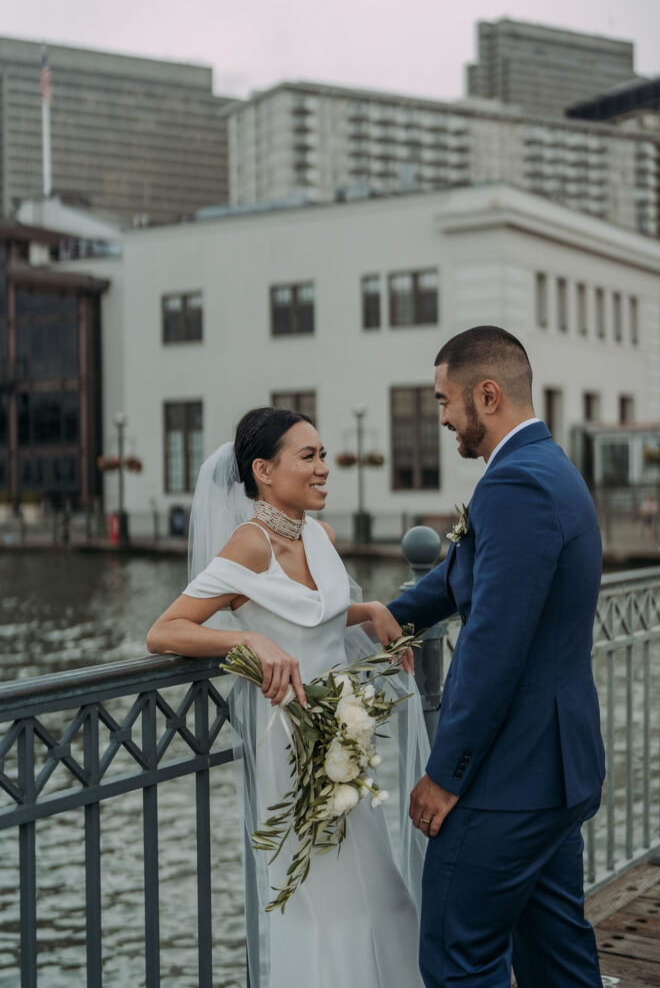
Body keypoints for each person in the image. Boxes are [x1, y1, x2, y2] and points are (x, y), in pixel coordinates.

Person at [147, 407, 429, 988]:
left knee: (382, 892)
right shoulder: (247, 546)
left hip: (343, 735)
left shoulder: (320, 536)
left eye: (324, 454)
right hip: (288, 744)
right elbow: (165, 631)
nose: (324, 467)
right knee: (321, 906)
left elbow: (315, 618)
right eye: (309, 456)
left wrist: (370, 609)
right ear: (263, 470)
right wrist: (248, 639)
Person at [388, 326, 605, 988]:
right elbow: (470, 576)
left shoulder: (514, 485)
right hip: (554, 772)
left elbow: (492, 643)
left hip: (510, 779)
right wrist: (388, 616)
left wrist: (446, 773)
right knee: (555, 957)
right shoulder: (547, 469)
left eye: (443, 400)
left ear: (486, 395)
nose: (443, 417)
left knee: (459, 960)